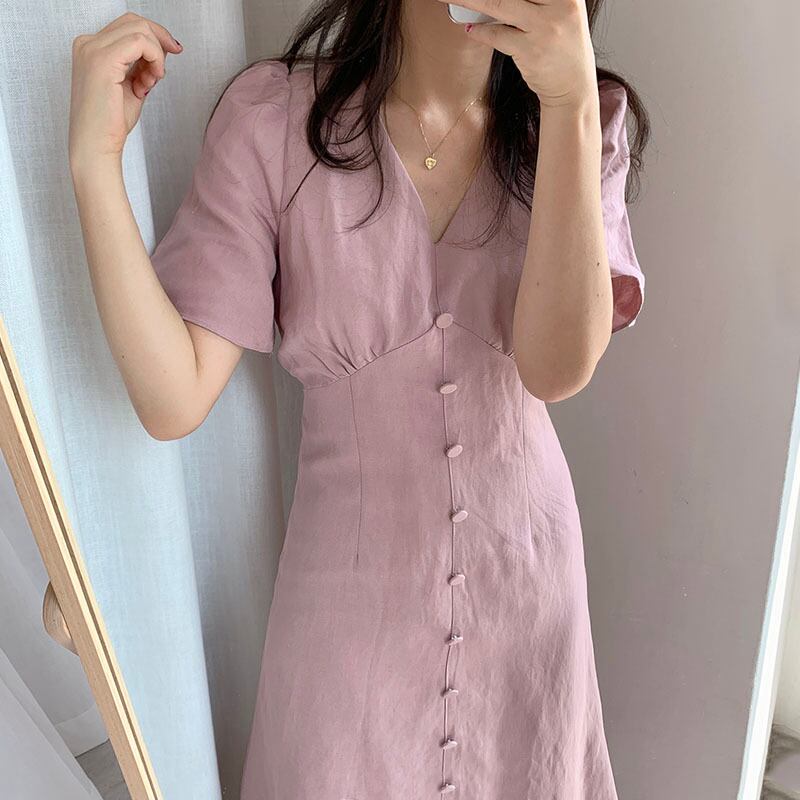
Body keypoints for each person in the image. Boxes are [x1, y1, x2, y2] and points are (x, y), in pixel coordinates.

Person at [69, 1, 649, 797]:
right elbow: (173, 397)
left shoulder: (585, 119)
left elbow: (556, 368)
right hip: (346, 622)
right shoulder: (273, 120)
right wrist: (95, 161)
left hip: (528, 594)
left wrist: (569, 103)